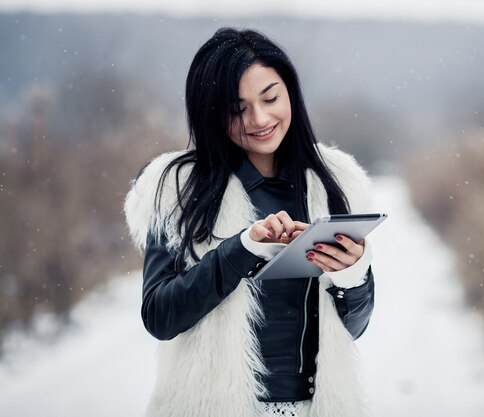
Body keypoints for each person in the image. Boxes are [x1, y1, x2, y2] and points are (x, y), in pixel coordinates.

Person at [123, 27, 375, 417]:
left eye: (271, 97)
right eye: (237, 108)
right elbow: (159, 315)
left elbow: (353, 328)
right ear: (209, 112)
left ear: (290, 91)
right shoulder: (176, 188)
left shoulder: (335, 180)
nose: (260, 118)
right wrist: (242, 249)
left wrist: (352, 273)